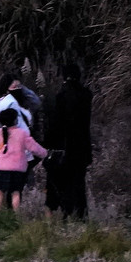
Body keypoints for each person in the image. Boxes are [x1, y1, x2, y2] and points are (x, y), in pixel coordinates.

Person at [0, 73, 41, 210]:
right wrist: (2, 126)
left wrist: (22, 88)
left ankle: (8, 214)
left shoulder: (23, 103)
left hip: (19, 150)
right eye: (14, 85)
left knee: (15, 185)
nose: (17, 88)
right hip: (2, 148)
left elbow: (36, 101)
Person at [44, 63, 93, 220]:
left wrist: (48, 144)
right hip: (82, 146)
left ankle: (67, 213)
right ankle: (81, 213)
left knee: (64, 182)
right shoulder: (86, 95)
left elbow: (56, 124)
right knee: (79, 182)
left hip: (64, 146)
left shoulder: (61, 96)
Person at [0, 108, 48, 212]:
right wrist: (45, 153)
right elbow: (34, 148)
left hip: (1, 167)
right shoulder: (22, 134)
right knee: (16, 192)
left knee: (0, 191)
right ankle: (15, 217)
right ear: (15, 120)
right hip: (18, 168)